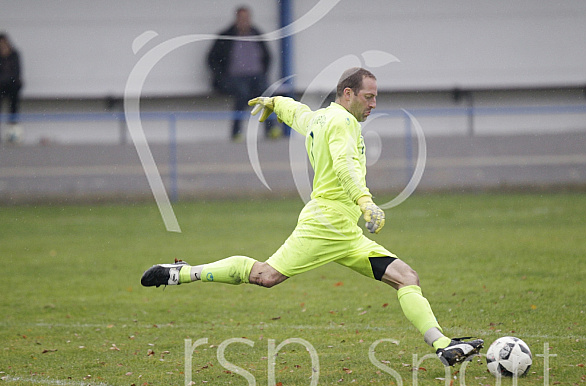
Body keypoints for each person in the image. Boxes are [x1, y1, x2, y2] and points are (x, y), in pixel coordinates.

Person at [141, 68, 483, 367]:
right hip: (325, 225)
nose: (373, 104)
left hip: (344, 231)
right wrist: (366, 202)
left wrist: (275, 103)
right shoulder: (342, 123)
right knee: (265, 275)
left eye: (376, 97)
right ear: (348, 94)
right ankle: (182, 273)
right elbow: (345, 165)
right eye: (369, 97)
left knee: (406, 277)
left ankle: (442, 345)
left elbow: (298, 114)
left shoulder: (323, 117)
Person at [206, 6, 280, 141]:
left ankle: (271, 129)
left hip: (256, 76)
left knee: (267, 94)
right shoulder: (225, 36)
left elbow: (268, 57)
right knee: (242, 94)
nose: (244, 21)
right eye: (241, 18)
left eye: (246, 18)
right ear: (236, 19)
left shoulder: (257, 34)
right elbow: (212, 58)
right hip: (234, 78)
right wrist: (221, 77)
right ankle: (237, 132)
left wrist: (263, 73)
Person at [0, 33, 23, 139]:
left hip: (12, 86)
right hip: (1, 86)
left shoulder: (14, 54)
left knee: (13, 106)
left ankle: (13, 131)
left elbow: (16, 73)